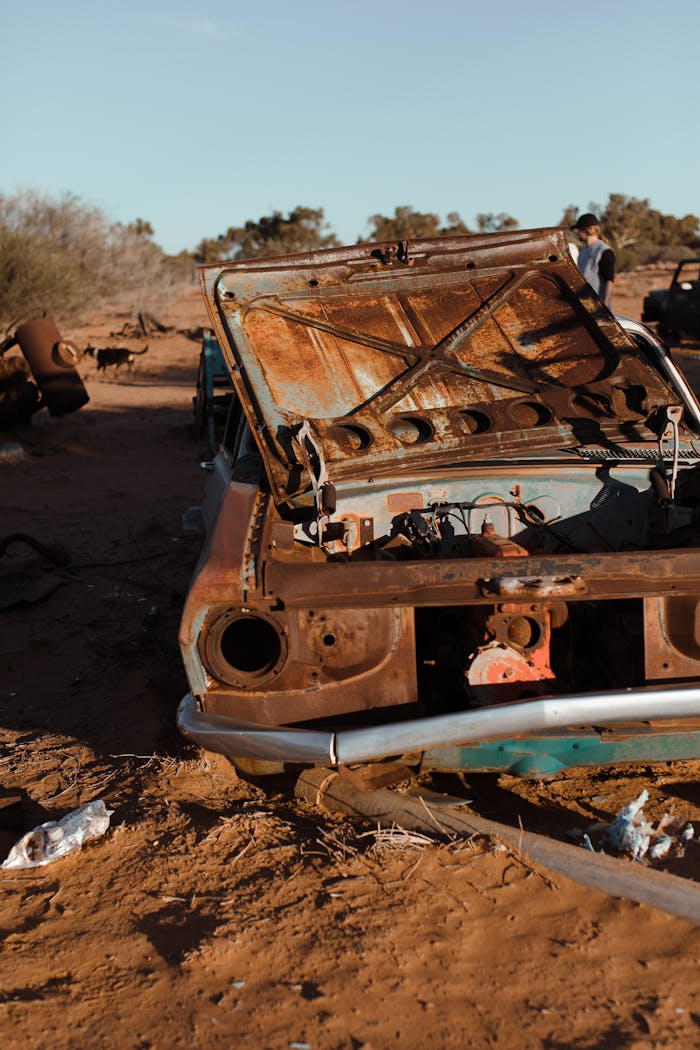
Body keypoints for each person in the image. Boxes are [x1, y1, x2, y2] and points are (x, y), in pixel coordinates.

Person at [571, 213, 615, 308]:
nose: (578, 233)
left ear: (586, 230)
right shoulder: (582, 251)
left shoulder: (604, 250)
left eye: (578, 230)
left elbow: (609, 280)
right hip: (584, 305)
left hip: (598, 307)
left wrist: (605, 304)